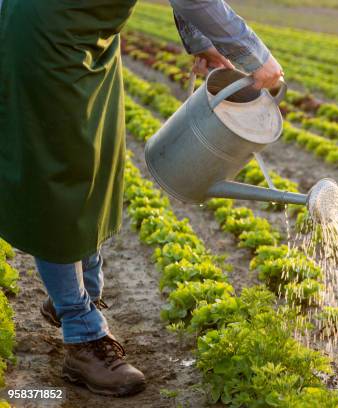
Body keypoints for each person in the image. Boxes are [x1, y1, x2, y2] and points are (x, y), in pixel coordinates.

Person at [0, 0, 282, 397]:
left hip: (88, 36)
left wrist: (203, 42)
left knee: (96, 160)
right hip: (47, 33)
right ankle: (82, 336)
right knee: (59, 173)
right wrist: (254, 56)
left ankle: (81, 295)